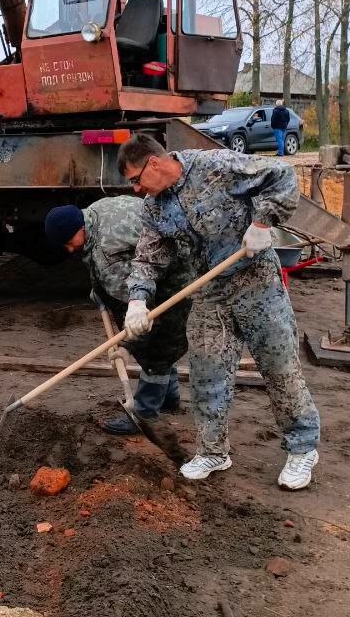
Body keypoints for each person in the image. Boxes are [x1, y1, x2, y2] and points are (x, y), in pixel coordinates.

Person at [116, 134, 321, 489]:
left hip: (257, 283)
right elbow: (148, 257)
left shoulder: (216, 167)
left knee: (280, 368)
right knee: (207, 373)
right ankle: (213, 450)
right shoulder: (155, 207)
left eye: (136, 179)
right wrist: (137, 300)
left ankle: (303, 447)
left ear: (154, 163)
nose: (135, 189)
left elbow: (283, 175)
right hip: (210, 293)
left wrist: (262, 223)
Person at [43, 200, 194, 436]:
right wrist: (99, 290)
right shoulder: (95, 211)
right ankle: (169, 397)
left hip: (178, 275)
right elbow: (97, 257)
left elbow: (144, 313)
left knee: (157, 344)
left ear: (79, 228)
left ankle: (144, 415)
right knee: (162, 343)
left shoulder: (106, 254)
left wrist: (126, 346)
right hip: (171, 254)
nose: (69, 250)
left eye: (69, 242)